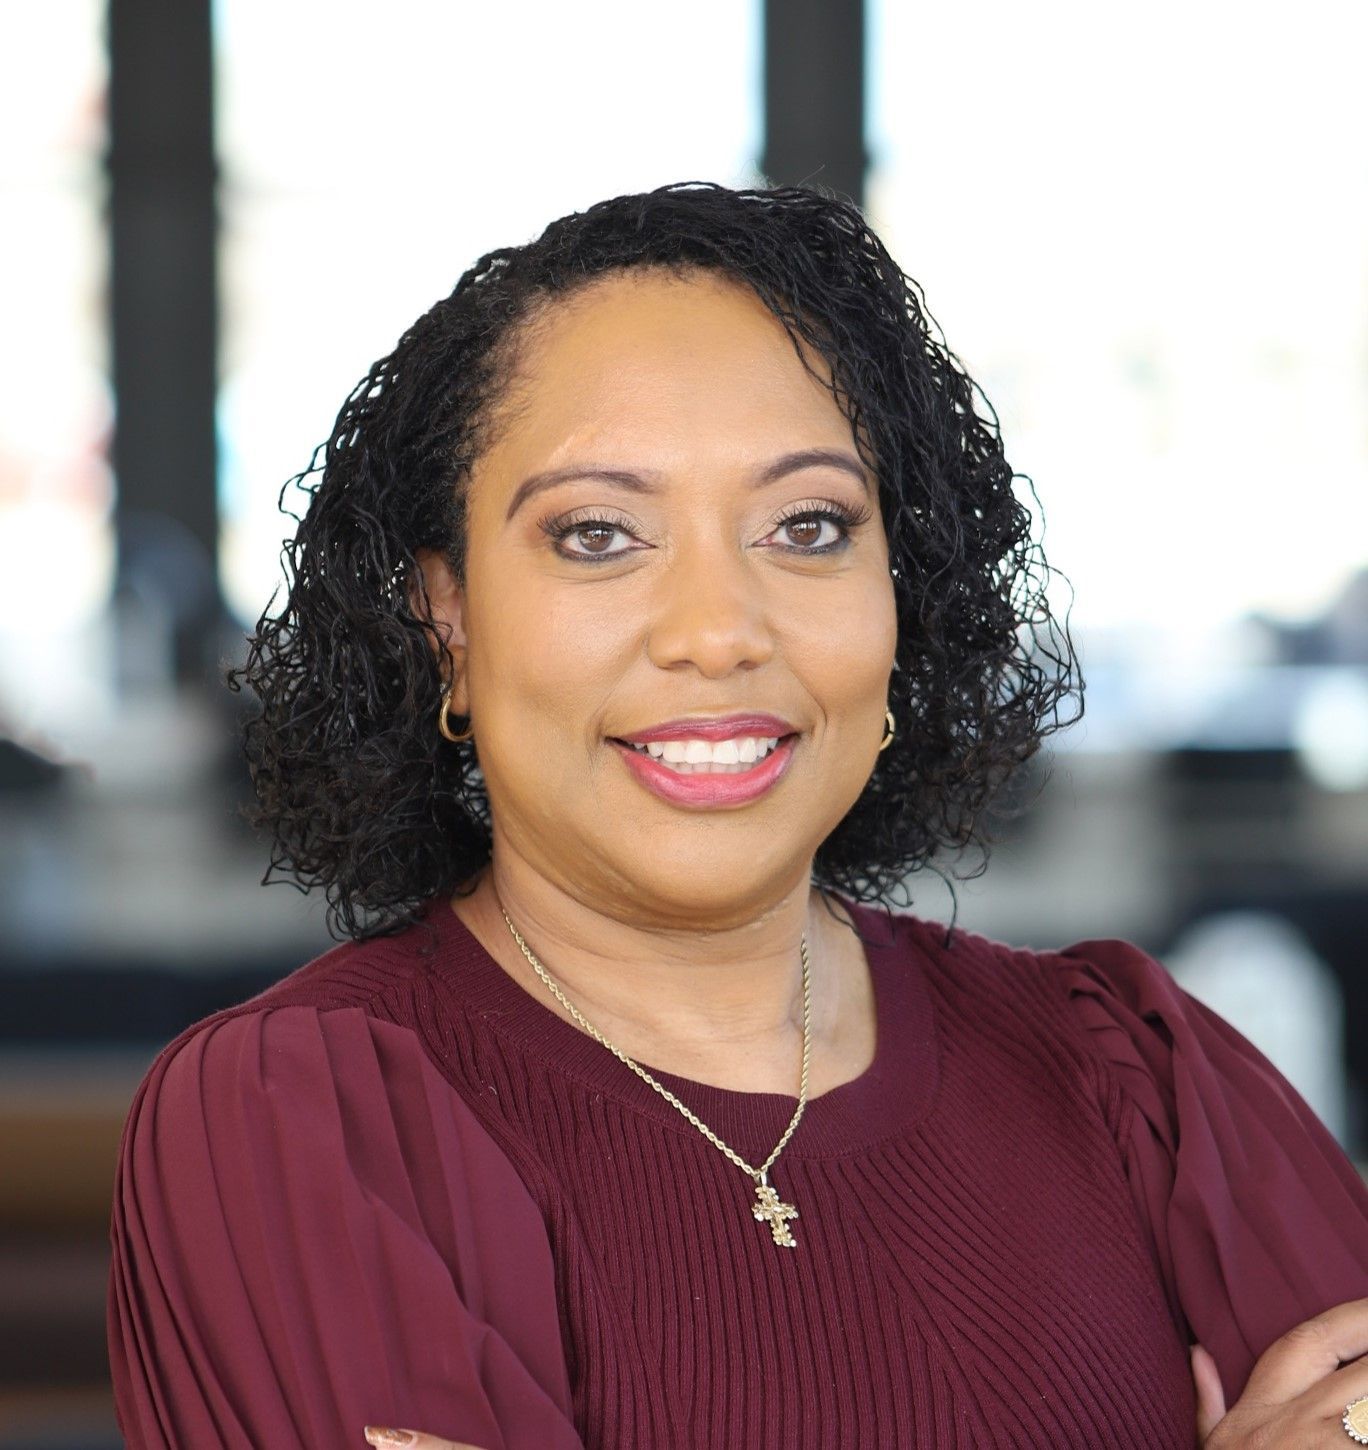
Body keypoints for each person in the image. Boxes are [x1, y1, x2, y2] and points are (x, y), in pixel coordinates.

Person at [106, 180, 1368, 1449]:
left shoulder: (1133, 1074)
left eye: (808, 526)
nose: (718, 631)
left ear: (900, 594)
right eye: (598, 535)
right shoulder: (304, 1125)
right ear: (450, 620)